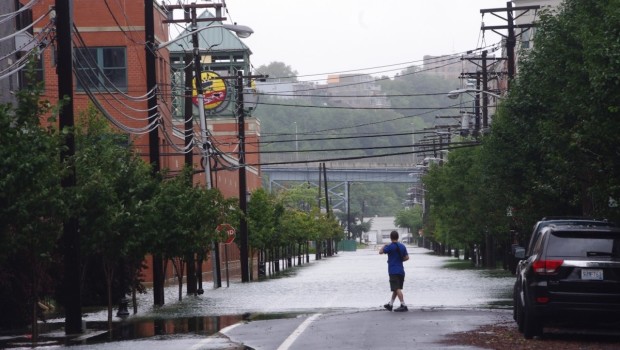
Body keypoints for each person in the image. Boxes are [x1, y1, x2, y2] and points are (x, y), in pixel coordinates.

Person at [379, 230, 409, 312]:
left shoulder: (390, 246)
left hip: (393, 271)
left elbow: (380, 252)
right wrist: (399, 260)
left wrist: (384, 246)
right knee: (397, 288)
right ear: (398, 237)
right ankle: (390, 304)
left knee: (396, 288)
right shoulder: (402, 246)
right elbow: (407, 257)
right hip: (401, 271)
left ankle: (403, 305)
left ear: (390, 237)